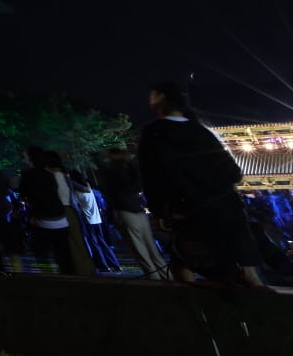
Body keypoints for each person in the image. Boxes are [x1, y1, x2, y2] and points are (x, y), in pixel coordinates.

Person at [138, 80, 265, 287]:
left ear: (161, 98)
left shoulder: (154, 132)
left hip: (188, 209)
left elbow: (151, 175)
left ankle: (195, 314)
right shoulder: (202, 131)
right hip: (227, 209)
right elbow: (234, 173)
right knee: (247, 272)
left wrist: (158, 210)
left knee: (184, 265)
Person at [99, 145, 168, 280]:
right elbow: (138, 185)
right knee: (152, 249)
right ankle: (167, 276)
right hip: (139, 210)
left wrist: (115, 213)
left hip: (126, 212)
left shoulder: (109, 173)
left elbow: (109, 195)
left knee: (140, 251)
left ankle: (155, 281)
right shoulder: (131, 170)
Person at [19, 146, 75, 274]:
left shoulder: (28, 174)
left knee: (41, 253)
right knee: (63, 253)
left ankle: (48, 277)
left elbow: (23, 195)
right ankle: (71, 276)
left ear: (29, 158)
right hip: (60, 217)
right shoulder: (50, 174)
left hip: (42, 218)